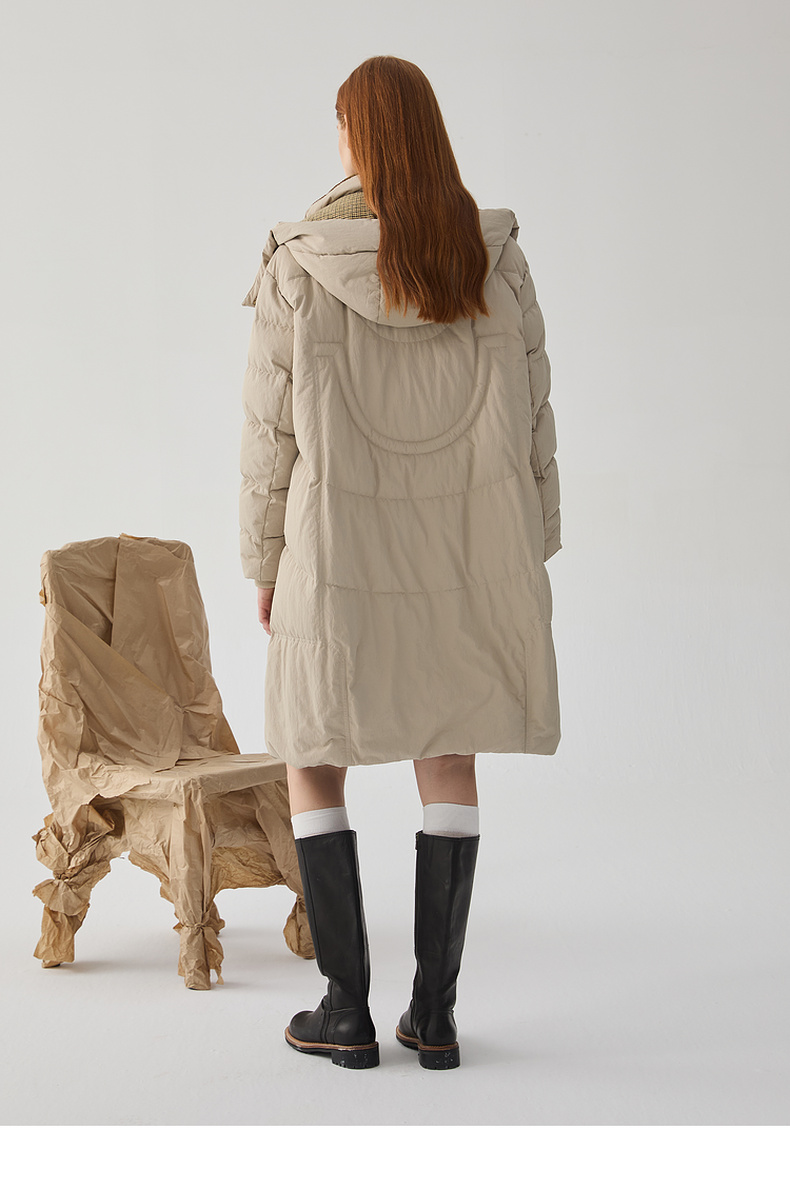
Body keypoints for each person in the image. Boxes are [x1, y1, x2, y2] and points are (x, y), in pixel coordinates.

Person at [239, 56, 562, 1070]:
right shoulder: (494, 259)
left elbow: (269, 437)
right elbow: (534, 414)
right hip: (469, 550)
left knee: (311, 749)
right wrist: (531, 547)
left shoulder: (300, 262)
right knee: (448, 746)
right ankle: (435, 1013)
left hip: (332, 548)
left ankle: (345, 1010)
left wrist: (263, 561)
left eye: (343, 125)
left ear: (358, 139)